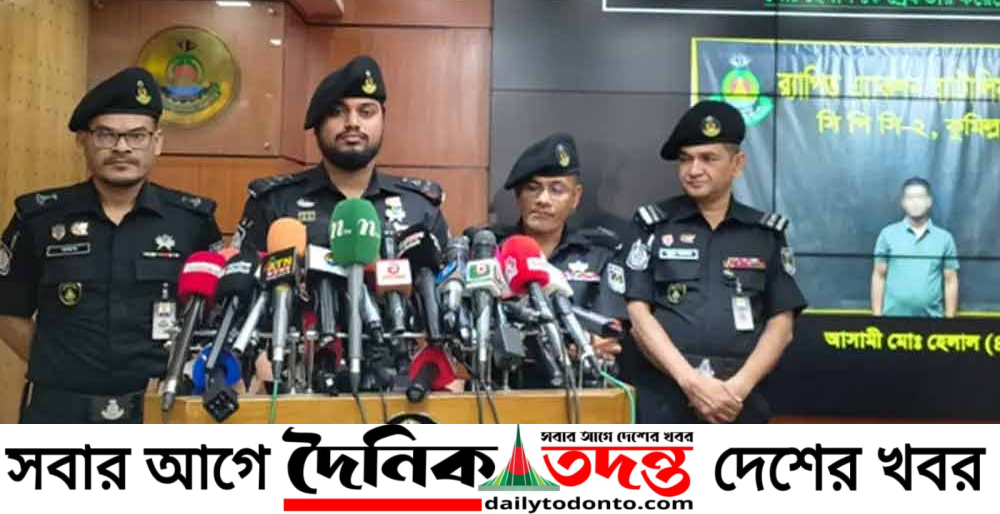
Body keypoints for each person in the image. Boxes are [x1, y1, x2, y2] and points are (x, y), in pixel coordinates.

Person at [0, 67, 222, 423]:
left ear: (157, 142)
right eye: (106, 134)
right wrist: (61, 364)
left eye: (137, 135)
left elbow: (216, 316)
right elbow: (8, 309)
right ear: (83, 141)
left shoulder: (192, 222)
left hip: (159, 412)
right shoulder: (39, 218)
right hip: (60, 413)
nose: (122, 148)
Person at [624, 100, 806, 424]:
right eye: (686, 159)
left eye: (708, 158)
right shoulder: (653, 225)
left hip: (739, 402)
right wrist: (692, 384)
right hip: (665, 398)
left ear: (737, 164)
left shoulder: (764, 234)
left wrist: (736, 390)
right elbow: (638, 315)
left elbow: (782, 324)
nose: (694, 170)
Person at [233, 55, 449, 253]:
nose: (352, 123)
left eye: (366, 112)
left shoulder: (420, 206)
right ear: (317, 124)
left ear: (383, 119)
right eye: (337, 112)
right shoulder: (274, 203)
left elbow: (448, 277)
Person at [488, 134, 627, 386]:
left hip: (578, 391)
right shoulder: (489, 250)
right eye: (533, 188)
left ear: (575, 197)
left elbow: (607, 336)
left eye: (556, 189)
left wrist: (589, 342)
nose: (543, 199)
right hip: (501, 390)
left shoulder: (600, 254)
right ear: (518, 196)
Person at [871, 178, 959, 318]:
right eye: (910, 198)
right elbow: (879, 276)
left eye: (920, 197)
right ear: (903, 203)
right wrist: (877, 317)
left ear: (929, 201)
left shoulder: (945, 239)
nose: (915, 202)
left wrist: (949, 321)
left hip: (933, 321)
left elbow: (951, 281)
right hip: (892, 320)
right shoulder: (887, 235)